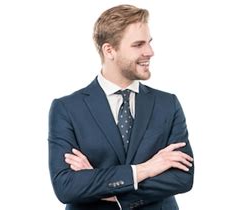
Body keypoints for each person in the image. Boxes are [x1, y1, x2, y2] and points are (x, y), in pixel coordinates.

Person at [48, 4, 194, 210]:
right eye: (138, 45)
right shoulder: (67, 108)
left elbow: (182, 177)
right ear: (109, 50)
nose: (150, 52)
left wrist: (105, 189)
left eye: (149, 43)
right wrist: (145, 169)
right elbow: (66, 187)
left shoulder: (167, 104)